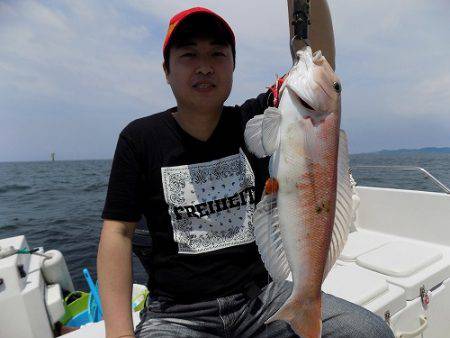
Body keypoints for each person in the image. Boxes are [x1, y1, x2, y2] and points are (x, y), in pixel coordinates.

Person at [97, 2, 395, 337]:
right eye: (189, 55)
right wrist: (119, 332)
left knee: (369, 332)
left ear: (234, 65)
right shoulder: (140, 139)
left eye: (218, 54)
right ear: (166, 70)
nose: (205, 67)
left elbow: (319, 59)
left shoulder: (256, 119)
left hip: (260, 298)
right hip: (178, 315)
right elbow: (118, 234)